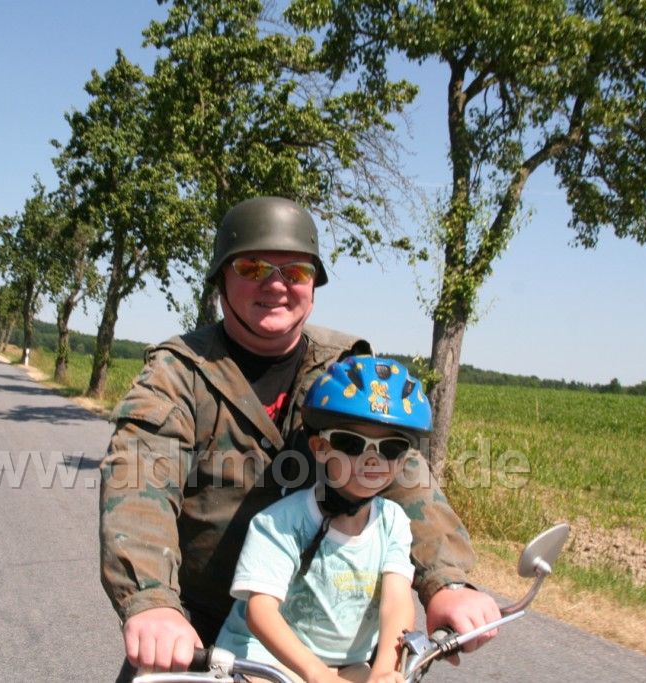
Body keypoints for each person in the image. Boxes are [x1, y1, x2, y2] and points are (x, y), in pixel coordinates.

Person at [99, 197, 500, 679]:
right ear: (222, 278)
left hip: (322, 639)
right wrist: (152, 602)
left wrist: (446, 581)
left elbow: (403, 472)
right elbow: (139, 480)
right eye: (252, 267)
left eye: (296, 271)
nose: (275, 284)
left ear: (314, 285)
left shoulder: (346, 370)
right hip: (198, 634)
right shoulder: (179, 372)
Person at [215, 355, 429, 683]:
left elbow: (397, 601)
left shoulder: (393, 523)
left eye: (391, 447)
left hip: (346, 664)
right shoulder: (280, 523)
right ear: (320, 448)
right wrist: (315, 674)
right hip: (265, 657)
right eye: (351, 443)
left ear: (403, 459)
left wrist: (385, 669)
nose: (372, 458)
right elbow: (261, 613)